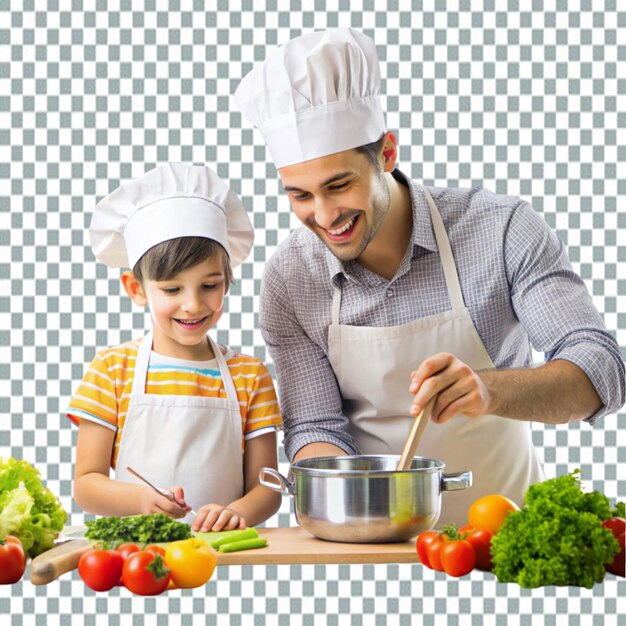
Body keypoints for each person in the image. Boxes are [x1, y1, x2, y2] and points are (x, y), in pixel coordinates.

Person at [234, 28, 625, 525]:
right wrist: (344, 504)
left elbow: (602, 371)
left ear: (387, 154)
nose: (325, 215)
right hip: (369, 544)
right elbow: (315, 424)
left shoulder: (499, 229)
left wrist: (488, 391)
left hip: (499, 545)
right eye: (300, 196)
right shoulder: (291, 278)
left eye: (339, 185)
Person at [67, 163, 282, 532]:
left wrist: (238, 514)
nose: (193, 304)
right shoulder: (111, 369)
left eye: (209, 285)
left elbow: (267, 488)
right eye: (172, 290)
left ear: (226, 282)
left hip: (225, 554)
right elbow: (86, 484)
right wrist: (140, 499)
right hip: (136, 551)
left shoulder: (250, 376)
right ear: (136, 289)